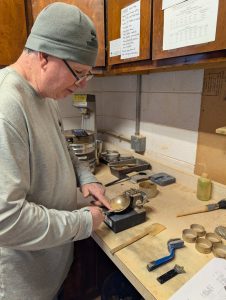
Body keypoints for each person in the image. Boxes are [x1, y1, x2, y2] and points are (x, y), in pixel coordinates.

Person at [0, 2, 110, 300]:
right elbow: (6, 220)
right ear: (44, 54)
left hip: (52, 267)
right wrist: (83, 222)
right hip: (23, 286)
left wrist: (86, 176)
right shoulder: (7, 107)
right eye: (78, 72)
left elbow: (63, 147)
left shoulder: (45, 96)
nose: (81, 84)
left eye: (88, 75)